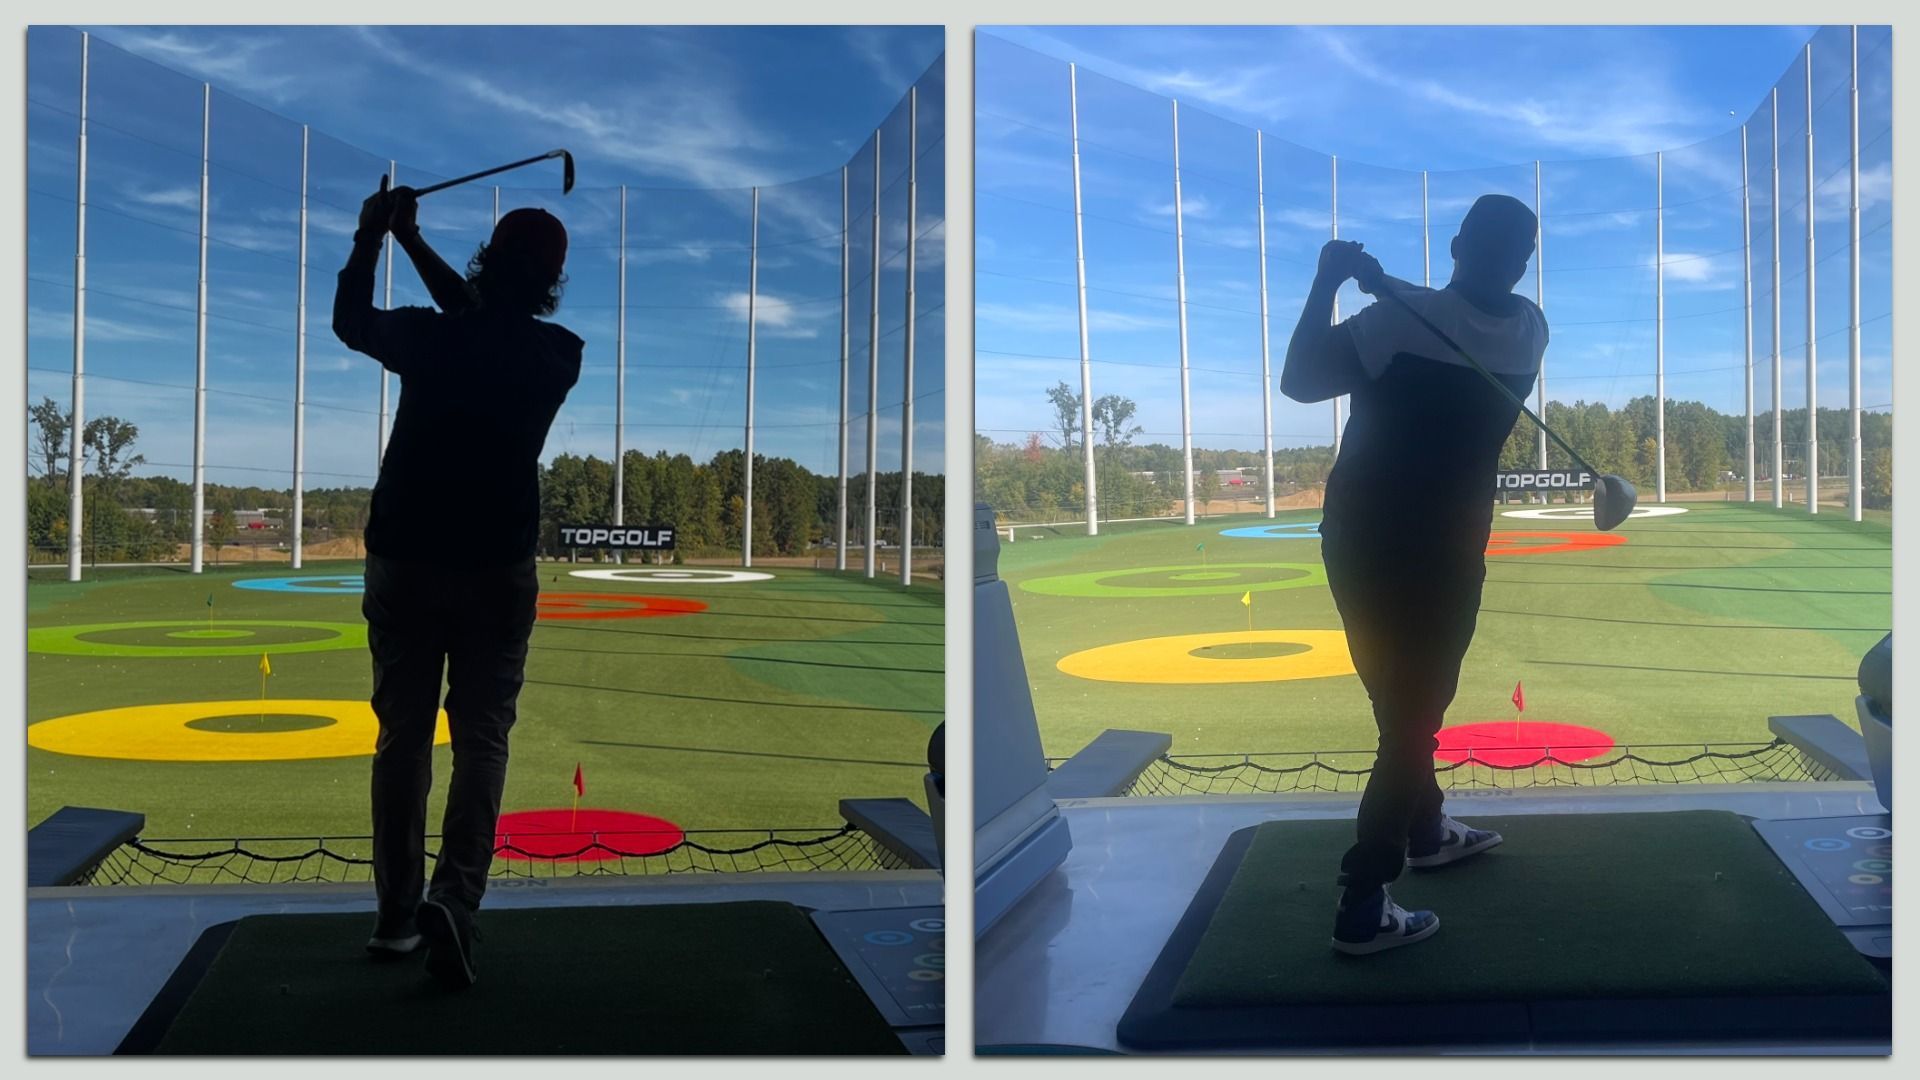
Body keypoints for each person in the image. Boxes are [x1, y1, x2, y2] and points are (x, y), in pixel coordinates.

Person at [1280, 194, 1548, 955]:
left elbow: (1301, 380)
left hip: (1360, 536)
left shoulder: (1394, 323)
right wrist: (1384, 284)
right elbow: (1456, 313)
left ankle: (1411, 848)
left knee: (1401, 710)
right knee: (1412, 716)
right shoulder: (1531, 329)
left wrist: (1332, 277)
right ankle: (1373, 888)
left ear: (1457, 243)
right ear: (1524, 262)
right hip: (1448, 544)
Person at [333, 178, 583, 987]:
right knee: (483, 740)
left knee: (402, 740)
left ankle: (395, 917)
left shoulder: (432, 339)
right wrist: (408, 241)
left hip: (406, 560)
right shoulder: (557, 355)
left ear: (486, 261)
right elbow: (486, 321)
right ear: (549, 282)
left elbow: (353, 320)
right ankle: (456, 898)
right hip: (497, 572)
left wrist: (377, 234)